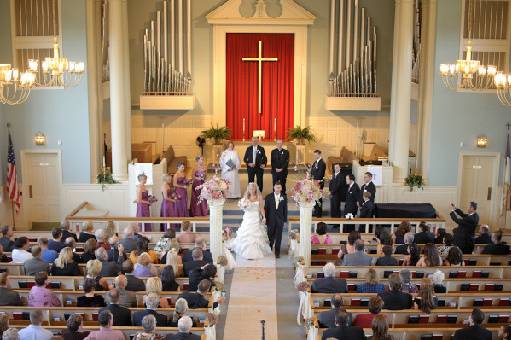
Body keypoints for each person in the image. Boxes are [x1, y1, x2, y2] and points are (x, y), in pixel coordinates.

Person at [231, 183, 272, 260]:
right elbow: (243, 207)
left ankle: (254, 252)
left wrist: (264, 217)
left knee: (255, 235)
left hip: (255, 218)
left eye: (253, 189)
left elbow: (261, 208)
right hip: (247, 217)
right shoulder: (246, 197)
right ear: (248, 189)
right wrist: (243, 206)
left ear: (255, 189)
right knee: (246, 233)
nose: (251, 190)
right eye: (250, 189)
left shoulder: (259, 197)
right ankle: (245, 251)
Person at [264, 181, 288, 258]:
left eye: (279, 187)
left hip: (280, 219)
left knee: (279, 237)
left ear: (281, 188)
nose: (278, 189)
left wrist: (284, 220)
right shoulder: (268, 197)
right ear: (274, 187)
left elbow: (285, 209)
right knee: (270, 235)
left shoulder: (284, 197)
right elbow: (266, 209)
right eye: (277, 187)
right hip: (271, 219)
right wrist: (266, 219)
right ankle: (269, 249)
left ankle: (277, 252)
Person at [310, 150, 326, 217]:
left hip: (319, 183)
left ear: (319, 154)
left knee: (319, 198)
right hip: (314, 182)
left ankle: (319, 213)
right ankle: (316, 210)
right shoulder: (315, 162)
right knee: (315, 198)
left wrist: (315, 179)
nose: (315, 156)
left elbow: (320, 173)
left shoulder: (322, 163)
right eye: (314, 155)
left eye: (316, 155)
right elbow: (312, 170)